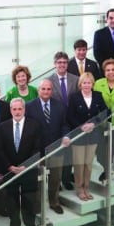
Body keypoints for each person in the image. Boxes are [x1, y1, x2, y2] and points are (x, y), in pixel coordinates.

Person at [0, 98, 40, 226]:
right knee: (11, 200)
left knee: (29, 199)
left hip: (29, 170)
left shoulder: (34, 125)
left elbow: (38, 148)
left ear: (24, 109)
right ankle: (14, 223)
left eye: (20, 109)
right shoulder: (2, 126)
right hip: (10, 171)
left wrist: (26, 165)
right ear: (10, 110)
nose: (17, 111)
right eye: (14, 109)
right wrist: (9, 166)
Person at [26, 79, 70, 214]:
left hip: (56, 148)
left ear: (52, 90)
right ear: (38, 90)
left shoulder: (60, 105)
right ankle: (38, 205)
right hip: (37, 150)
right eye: (43, 89)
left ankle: (54, 202)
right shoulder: (29, 106)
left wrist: (66, 136)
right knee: (38, 179)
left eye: (48, 89)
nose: (46, 91)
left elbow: (65, 124)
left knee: (55, 178)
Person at [67, 72, 107, 200]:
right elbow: (70, 116)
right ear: (80, 84)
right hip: (79, 135)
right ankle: (79, 189)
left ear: (92, 84)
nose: (86, 85)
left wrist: (94, 124)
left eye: (89, 83)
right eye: (84, 83)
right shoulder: (74, 97)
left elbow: (106, 112)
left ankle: (86, 188)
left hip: (93, 134)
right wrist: (81, 126)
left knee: (88, 164)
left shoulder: (98, 95)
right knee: (79, 164)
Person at [48, 51, 78, 190]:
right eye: (59, 62)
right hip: (55, 123)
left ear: (68, 64)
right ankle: (56, 181)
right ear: (55, 64)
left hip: (72, 122)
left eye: (64, 62)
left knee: (69, 153)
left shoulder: (75, 79)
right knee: (55, 153)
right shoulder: (48, 81)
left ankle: (66, 179)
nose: (62, 65)